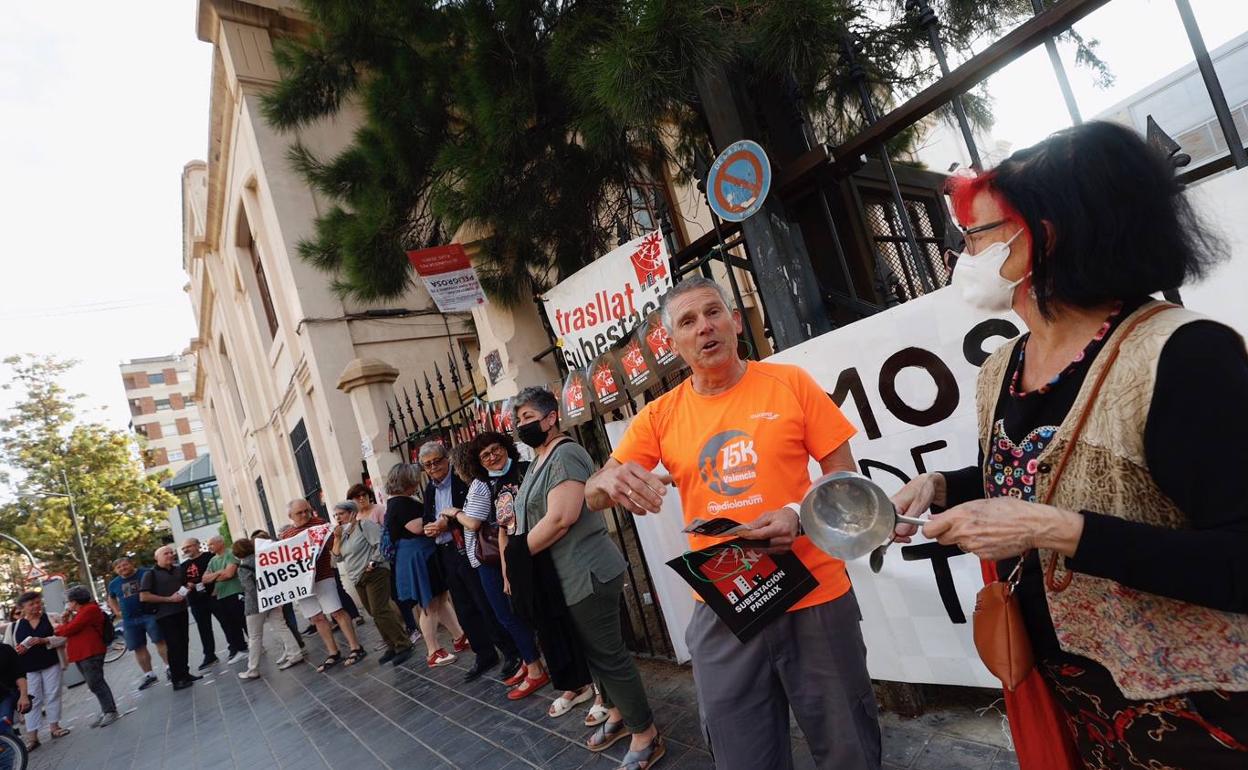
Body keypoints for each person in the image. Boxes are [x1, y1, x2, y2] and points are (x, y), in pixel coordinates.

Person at [889, 122, 1248, 769]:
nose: (960, 254)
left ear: (1042, 239)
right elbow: (1041, 469)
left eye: (975, 235)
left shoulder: (1185, 355)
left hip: (1199, 719)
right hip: (1072, 703)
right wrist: (945, 486)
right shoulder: (1003, 365)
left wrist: (1061, 530)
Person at [588, 277, 883, 770]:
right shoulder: (660, 415)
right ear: (673, 343)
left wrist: (798, 515)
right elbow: (597, 488)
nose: (705, 327)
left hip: (814, 592)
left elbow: (843, 474)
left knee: (849, 745)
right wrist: (612, 483)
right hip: (725, 602)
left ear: (734, 320)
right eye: (688, 321)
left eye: (713, 313)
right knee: (741, 753)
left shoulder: (790, 383)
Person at [510, 387, 661, 767]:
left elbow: (562, 517)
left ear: (550, 418)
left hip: (586, 573)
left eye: (528, 417)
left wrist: (515, 554)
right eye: (518, 420)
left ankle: (646, 733)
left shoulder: (565, 454)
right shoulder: (538, 459)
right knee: (592, 654)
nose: (521, 425)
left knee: (608, 656)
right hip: (562, 577)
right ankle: (616, 713)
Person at [452, 436, 576, 706]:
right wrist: (508, 571)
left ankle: (558, 675)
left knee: (547, 616)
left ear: (505, 448)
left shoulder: (527, 470)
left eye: (495, 450)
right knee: (528, 616)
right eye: (485, 456)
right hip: (515, 554)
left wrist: (454, 514)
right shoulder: (492, 483)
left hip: (542, 547)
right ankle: (556, 674)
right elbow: (503, 529)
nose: (492, 457)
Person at [421, 441, 521, 682]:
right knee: (464, 607)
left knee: (485, 602)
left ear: (447, 460)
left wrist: (449, 521)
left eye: (437, 461)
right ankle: (483, 653)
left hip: (468, 548)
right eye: (428, 464)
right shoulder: (430, 490)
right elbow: (427, 516)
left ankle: (510, 652)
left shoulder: (462, 480)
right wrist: (430, 527)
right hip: (446, 551)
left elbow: (473, 514)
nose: (433, 467)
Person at [384, 463, 464, 668]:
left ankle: (459, 637)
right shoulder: (401, 504)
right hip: (419, 557)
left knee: (440, 599)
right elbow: (419, 527)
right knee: (430, 605)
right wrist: (444, 515)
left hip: (421, 555)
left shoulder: (398, 502)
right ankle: (433, 651)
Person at [281, 499, 366, 671]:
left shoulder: (320, 524)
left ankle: (355, 647)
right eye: (300, 512)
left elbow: (333, 547)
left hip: (323, 576)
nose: (305, 515)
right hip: (302, 584)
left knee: (336, 612)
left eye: (307, 511)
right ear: (290, 516)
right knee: (317, 618)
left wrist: (336, 535)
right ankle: (333, 652)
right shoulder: (286, 536)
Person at [330, 501, 414, 666]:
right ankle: (391, 645)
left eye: (341, 514)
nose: (338, 518)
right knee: (373, 612)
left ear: (352, 513)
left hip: (374, 573)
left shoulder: (364, 525)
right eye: (336, 515)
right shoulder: (344, 534)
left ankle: (403, 644)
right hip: (357, 577)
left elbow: (380, 544)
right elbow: (336, 558)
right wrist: (337, 538)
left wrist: (373, 562)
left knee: (380, 609)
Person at [234, 538, 305, 679]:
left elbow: (250, 589)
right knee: (282, 627)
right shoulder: (263, 559)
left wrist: (262, 603)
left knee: (254, 637)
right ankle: (295, 653)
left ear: (238, 553)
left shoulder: (242, 568)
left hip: (255, 606)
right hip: (273, 599)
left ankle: (253, 669)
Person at [54, 585, 120, 724]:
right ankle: (106, 709)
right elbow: (69, 628)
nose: (68, 604)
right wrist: (65, 620)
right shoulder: (81, 612)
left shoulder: (89, 610)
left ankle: (110, 711)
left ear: (75, 601)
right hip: (82, 652)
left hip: (91, 651)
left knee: (96, 682)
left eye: (69, 601)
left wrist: (58, 627)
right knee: (93, 683)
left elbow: (70, 629)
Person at [140, 545, 201, 691]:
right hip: (165, 615)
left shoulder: (178, 569)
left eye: (171, 553)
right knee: (173, 646)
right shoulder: (150, 574)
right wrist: (168, 599)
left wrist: (188, 587)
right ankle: (177, 679)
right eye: (165, 553)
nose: (169, 555)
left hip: (181, 611)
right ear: (157, 558)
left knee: (184, 642)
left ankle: (185, 673)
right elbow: (144, 596)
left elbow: (185, 584)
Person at [12, 591, 67, 749]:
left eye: (38, 602)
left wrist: (44, 640)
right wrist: (18, 649)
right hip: (28, 668)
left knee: (53, 695)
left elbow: (64, 637)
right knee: (32, 701)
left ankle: (54, 728)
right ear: (22, 608)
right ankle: (33, 738)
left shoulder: (51, 617)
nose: (36, 606)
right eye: (31, 604)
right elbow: (10, 649)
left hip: (51, 662)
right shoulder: (15, 626)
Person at [107, 557, 170, 690]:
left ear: (131, 564)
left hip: (150, 614)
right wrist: (117, 611)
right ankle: (149, 675)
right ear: (115, 570)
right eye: (119, 568)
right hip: (129, 620)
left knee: (160, 641)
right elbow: (111, 598)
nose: (122, 569)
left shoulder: (146, 573)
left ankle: (170, 668)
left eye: (125, 565)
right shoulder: (114, 583)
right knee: (138, 647)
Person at [202, 535, 249, 664]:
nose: (209, 546)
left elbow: (229, 574)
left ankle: (257, 646)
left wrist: (214, 576)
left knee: (243, 620)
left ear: (220, 543)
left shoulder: (230, 554)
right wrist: (218, 573)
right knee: (231, 624)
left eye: (211, 544)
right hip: (221, 596)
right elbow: (204, 579)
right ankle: (240, 650)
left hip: (235, 592)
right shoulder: (212, 560)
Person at [179, 538, 220, 670]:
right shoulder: (183, 566)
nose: (186, 550)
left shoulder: (210, 557)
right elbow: (181, 582)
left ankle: (236, 646)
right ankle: (209, 655)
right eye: (184, 548)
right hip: (196, 601)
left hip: (214, 595)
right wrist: (187, 585)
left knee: (227, 621)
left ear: (197, 546)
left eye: (188, 547)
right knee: (204, 629)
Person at [0, 641, 29, 741]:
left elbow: (19, 674)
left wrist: (24, 696)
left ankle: (11, 753)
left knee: (4, 729)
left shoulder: (5, 649)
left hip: (5, 696)